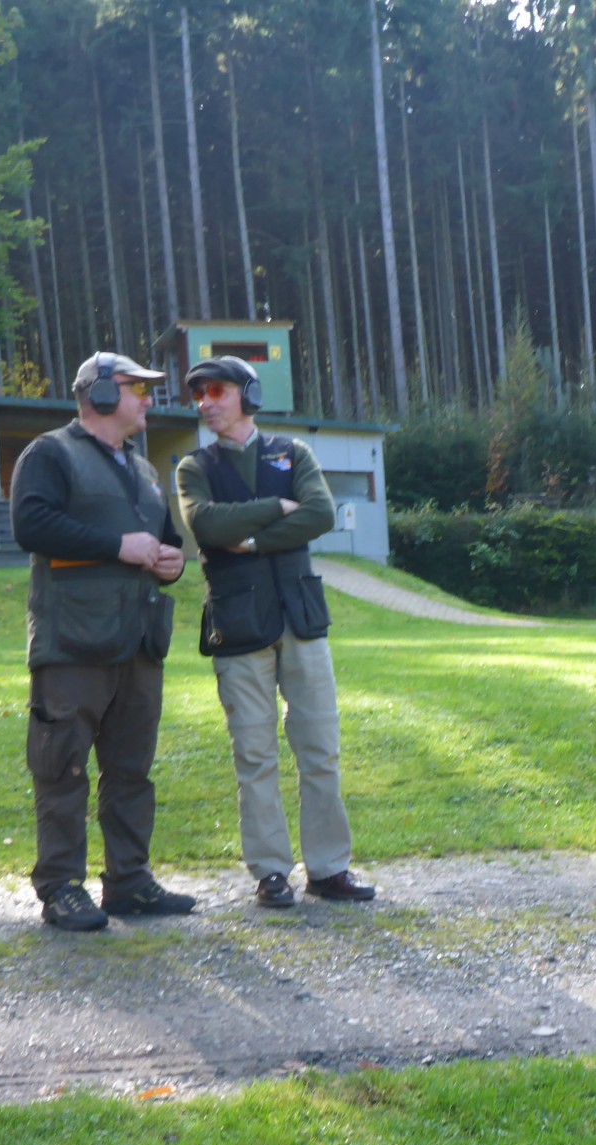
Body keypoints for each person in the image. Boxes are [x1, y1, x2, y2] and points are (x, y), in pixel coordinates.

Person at [172, 356, 375, 908]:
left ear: (248, 394)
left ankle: (329, 869)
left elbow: (320, 515)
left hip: (301, 618)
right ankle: (270, 873)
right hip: (238, 624)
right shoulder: (194, 467)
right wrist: (276, 507)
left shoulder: (293, 452)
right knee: (254, 755)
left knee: (321, 748)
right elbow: (207, 525)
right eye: (199, 394)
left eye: (216, 390)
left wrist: (254, 539)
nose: (205, 402)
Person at [9, 351, 195, 931]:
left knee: (132, 769)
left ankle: (129, 882)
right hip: (72, 643)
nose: (148, 399)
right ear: (103, 393)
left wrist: (171, 562)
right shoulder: (49, 454)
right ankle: (61, 887)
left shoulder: (143, 470)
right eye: (138, 388)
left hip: (138, 644)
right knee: (61, 768)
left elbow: (165, 541)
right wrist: (118, 546)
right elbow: (31, 525)